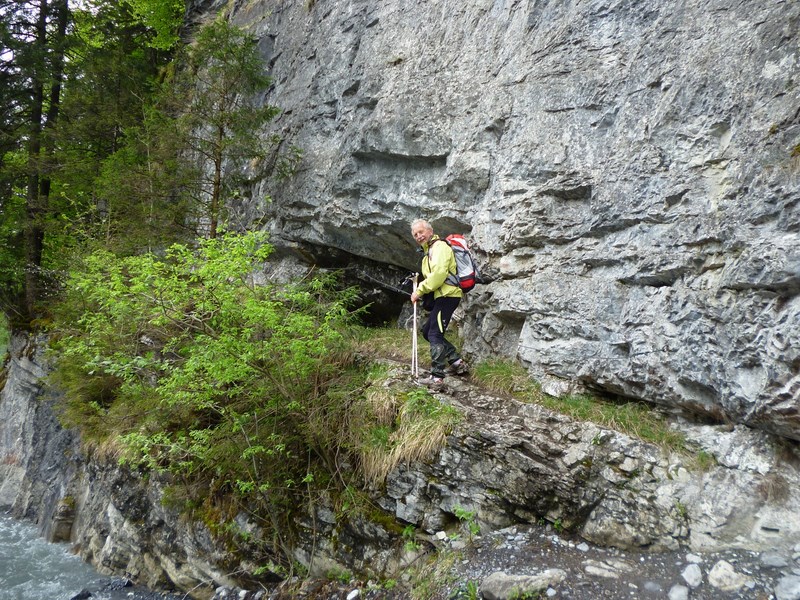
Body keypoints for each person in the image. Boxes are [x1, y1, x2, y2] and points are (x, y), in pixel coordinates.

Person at [409, 219, 469, 387]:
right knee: (428, 331)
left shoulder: (440, 247)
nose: (419, 236)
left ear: (430, 231)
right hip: (442, 296)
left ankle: (437, 378)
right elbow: (433, 279)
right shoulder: (427, 255)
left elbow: (439, 274)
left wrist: (420, 290)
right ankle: (457, 363)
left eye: (421, 232)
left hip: (448, 296)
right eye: (415, 234)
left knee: (435, 333)